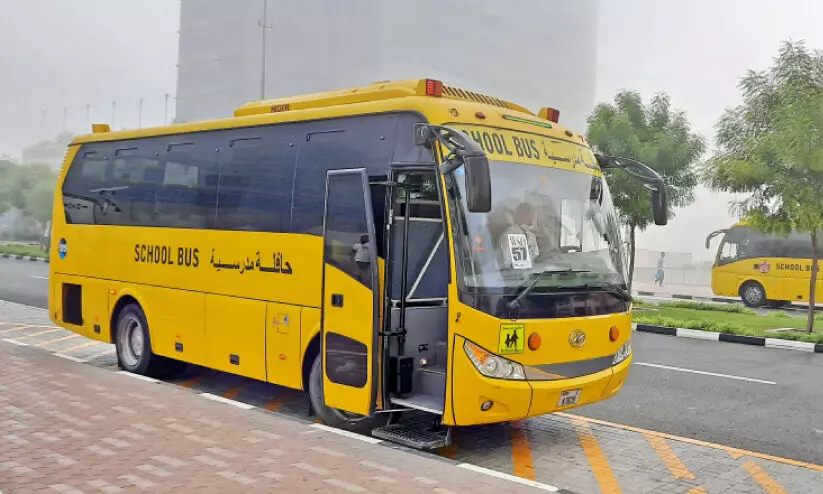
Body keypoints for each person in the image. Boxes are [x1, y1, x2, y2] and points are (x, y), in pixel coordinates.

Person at [498, 203, 540, 269]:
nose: (532, 219)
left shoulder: (531, 235)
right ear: (520, 216)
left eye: (532, 216)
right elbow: (507, 262)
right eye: (529, 215)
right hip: (513, 273)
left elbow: (535, 255)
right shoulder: (508, 235)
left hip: (531, 272)